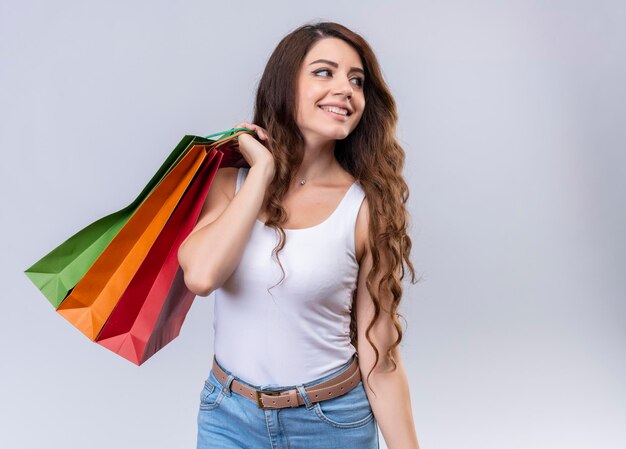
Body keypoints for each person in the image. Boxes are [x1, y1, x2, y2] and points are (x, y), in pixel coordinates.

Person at [178, 21, 420, 449]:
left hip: (330, 422)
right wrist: (262, 174)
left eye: (356, 80)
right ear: (285, 85)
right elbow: (200, 276)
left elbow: (380, 356)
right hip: (228, 419)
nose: (345, 89)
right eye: (324, 72)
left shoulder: (364, 208)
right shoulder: (230, 185)